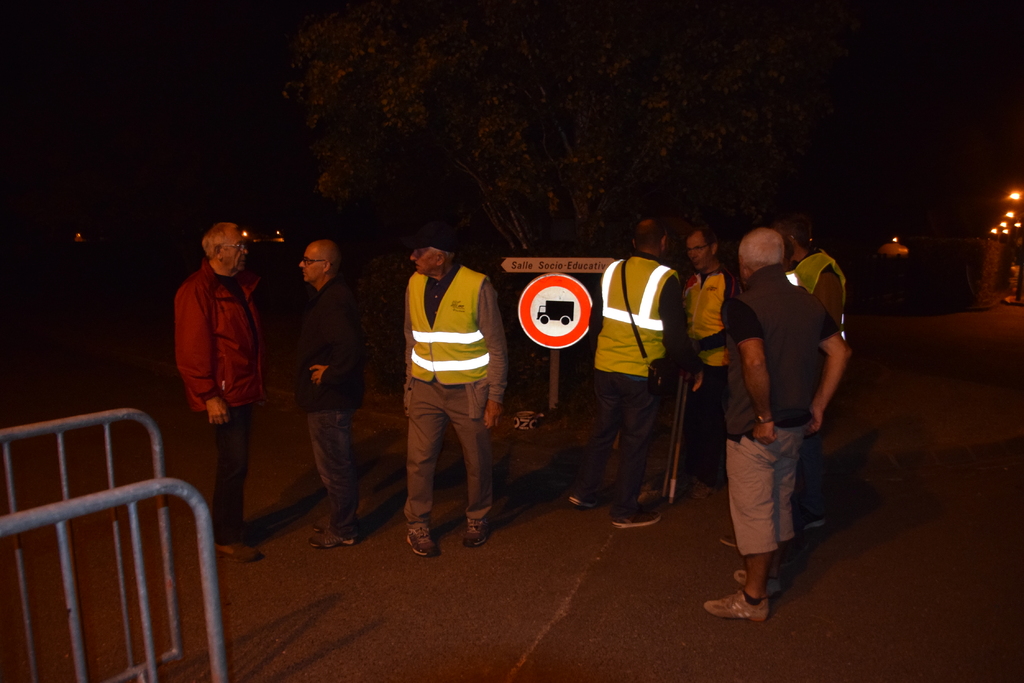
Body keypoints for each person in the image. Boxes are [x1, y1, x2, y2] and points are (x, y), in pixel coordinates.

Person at [703, 228, 850, 621]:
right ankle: (769, 578)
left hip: (754, 428)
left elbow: (753, 360)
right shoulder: (808, 301)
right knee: (780, 504)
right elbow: (840, 351)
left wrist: (763, 416)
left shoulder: (743, 306)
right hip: (796, 425)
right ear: (782, 261)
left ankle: (752, 600)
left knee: (754, 513)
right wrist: (818, 406)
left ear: (744, 266)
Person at [568, 218, 702, 528]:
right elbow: (675, 339)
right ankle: (624, 510)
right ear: (664, 242)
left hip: (605, 368)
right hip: (640, 375)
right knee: (635, 441)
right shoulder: (666, 278)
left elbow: (595, 321)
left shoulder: (612, 271)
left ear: (633, 243)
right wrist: (695, 367)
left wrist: (600, 355)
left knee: (602, 432)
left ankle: (584, 493)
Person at [402, 221, 508, 557]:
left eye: (419, 251)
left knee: (477, 460)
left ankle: (477, 517)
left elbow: (496, 347)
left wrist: (495, 397)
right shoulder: (414, 283)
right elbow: (411, 338)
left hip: (468, 391)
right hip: (424, 388)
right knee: (419, 460)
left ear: (439, 257)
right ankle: (417, 524)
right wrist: (409, 386)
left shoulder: (477, 286)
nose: (412, 257)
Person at [174, 222, 265, 563]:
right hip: (224, 394)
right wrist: (209, 394)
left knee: (237, 464)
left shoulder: (238, 284)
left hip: (240, 387)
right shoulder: (198, 290)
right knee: (233, 463)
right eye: (238, 246)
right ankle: (225, 536)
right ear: (217, 251)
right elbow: (191, 348)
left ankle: (232, 526)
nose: (245, 251)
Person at [772, 213, 847, 533]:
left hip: (812, 368)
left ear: (790, 241)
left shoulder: (822, 272)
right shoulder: (797, 268)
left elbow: (825, 329)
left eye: (777, 239)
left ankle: (812, 507)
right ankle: (798, 504)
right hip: (797, 365)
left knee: (808, 438)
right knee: (799, 437)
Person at [296, 240, 366, 549]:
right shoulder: (327, 296)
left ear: (326, 266)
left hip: (330, 399)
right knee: (334, 466)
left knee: (335, 468)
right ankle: (340, 518)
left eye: (308, 260)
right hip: (327, 398)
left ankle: (344, 528)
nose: (301, 265)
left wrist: (331, 374)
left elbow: (349, 346)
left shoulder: (333, 300)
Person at [682, 227, 741, 498]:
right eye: (689, 249)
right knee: (690, 421)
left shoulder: (729, 281)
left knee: (711, 423)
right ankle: (690, 471)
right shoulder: (690, 281)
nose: (692, 254)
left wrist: (703, 345)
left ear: (713, 247)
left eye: (698, 248)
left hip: (717, 363)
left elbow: (733, 326)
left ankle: (707, 479)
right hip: (692, 364)